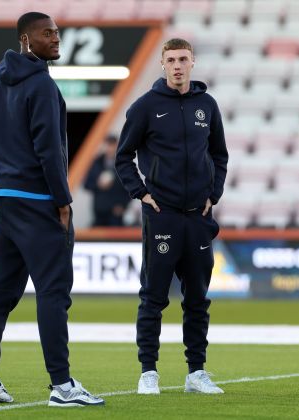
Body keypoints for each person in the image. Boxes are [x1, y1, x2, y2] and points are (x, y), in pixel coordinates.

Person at [0, 12, 103, 407]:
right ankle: (62, 386)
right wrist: (62, 200)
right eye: (47, 34)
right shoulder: (42, 85)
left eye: (57, 33)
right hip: (37, 200)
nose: (56, 39)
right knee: (52, 291)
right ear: (26, 41)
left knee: (1, 288)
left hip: (5, 195)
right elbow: (50, 150)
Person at [115, 38, 228, 395]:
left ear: (193, 62)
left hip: (198, 217)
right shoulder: (146, 106)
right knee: (153, 297)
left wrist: (214, 194)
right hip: (161, 216)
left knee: (198, 298)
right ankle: (148, 371)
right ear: (162, 65)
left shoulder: (207, 106)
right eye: (171, 60)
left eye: (183, 59)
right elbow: (123, 157)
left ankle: (197, 372)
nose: (177, 66)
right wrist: (142, 193)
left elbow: (220, 155)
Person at [84, 134, 132, 226]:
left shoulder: (123, 164)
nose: (110, 148)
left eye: (112, 145)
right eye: (108, 145)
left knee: (115, 239)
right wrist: (98, 184)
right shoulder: (96, 163)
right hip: (99, 212)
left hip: (116, 213)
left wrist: (123, 205)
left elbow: (130, 187)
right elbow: (87, 184)